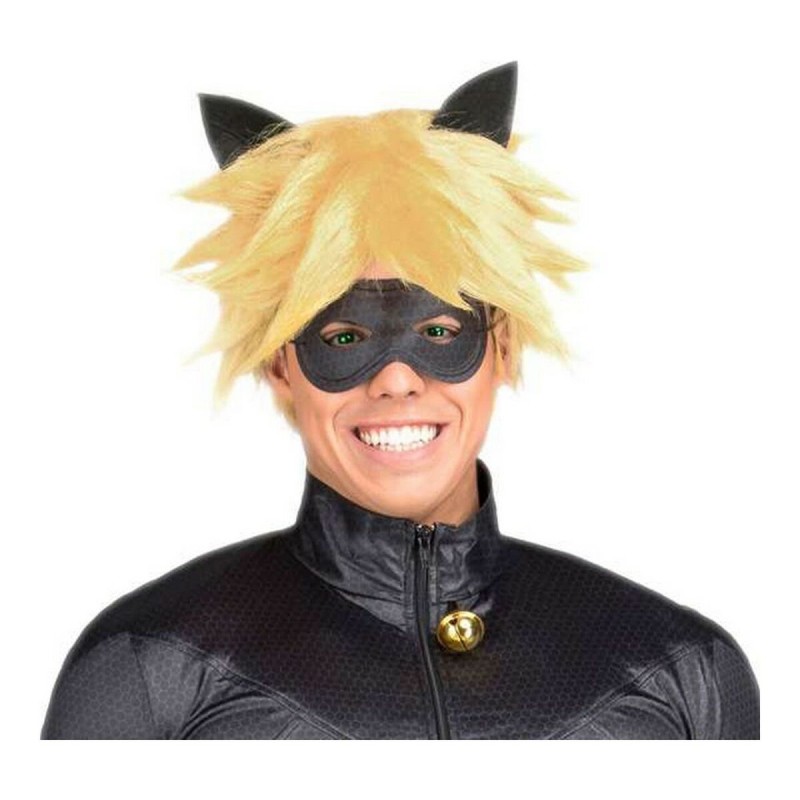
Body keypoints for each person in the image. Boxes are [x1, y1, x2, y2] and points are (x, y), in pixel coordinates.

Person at [41, 63, 759, 739]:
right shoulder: (151, 669)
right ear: (280, 364)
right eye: (345, 337)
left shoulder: (680, 670)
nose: (395, 380)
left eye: (439, 331)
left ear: (503, 349)